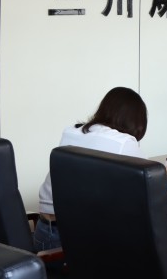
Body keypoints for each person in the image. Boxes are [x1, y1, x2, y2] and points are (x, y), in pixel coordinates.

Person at [34, 86, 149, 252]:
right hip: (72, 244)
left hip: (44, 234)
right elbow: (150, 180)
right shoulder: (123, 142)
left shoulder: (72, 131)